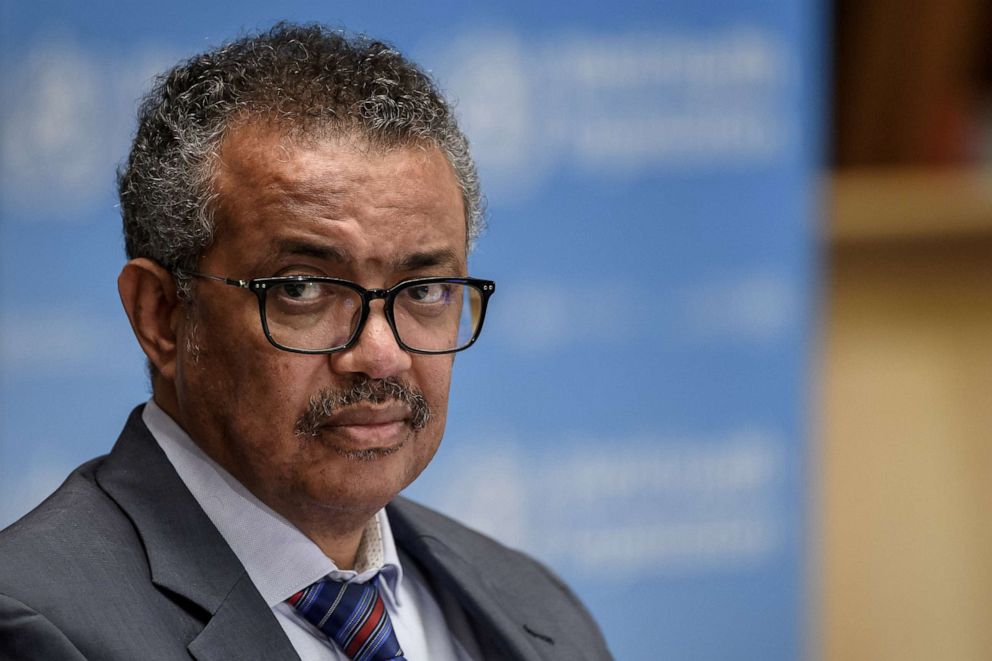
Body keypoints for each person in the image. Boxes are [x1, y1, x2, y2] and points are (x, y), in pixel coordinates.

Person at [0, 22, 612, 661]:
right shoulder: (37, 627)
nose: (381, 354)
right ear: (160, 316)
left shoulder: (537, 608)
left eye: (425, 291)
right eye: (302, 289)